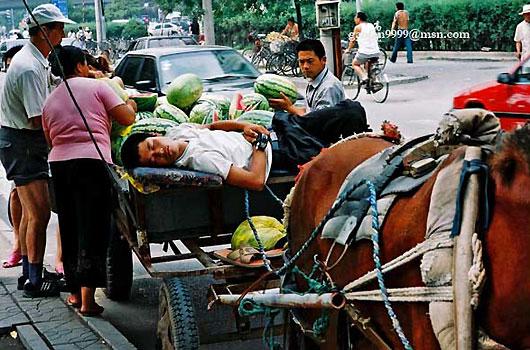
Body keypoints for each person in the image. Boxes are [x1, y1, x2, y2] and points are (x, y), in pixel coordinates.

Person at [42, 45, 136, 316]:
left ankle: (73, 294)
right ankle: (88, 301)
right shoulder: (97, 87)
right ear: (80, 66)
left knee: (70, 226)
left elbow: (50, 140)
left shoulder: (50, 100)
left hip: (59, 166)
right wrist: (129, 102)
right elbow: (127, 117)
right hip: (92, 164)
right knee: (93, 229)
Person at [0, 4, 75, 297]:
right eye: (59, 28)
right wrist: (60, 142)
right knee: (40, 214)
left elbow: (52, 86)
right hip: (23, 143)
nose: (63, 33)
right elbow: (37, 119)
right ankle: (33, 280)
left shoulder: (39, 60)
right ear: (44, 31)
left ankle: (31, 273)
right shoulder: (28, 66)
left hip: (24, 141)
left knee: (34, 214)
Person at [269, 39, 345, 116]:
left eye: (310, 61)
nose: (305, 66)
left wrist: (289, 108)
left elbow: (319, 121)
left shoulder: (329, 88)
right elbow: (309, 112)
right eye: (301, 62)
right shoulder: (314, 80)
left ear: (323, 60)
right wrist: (287, 107)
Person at [345, 12, 381, 86]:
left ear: (359, 19)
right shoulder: (371, 25)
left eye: (355, 18)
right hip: (376, 52)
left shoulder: (358, 27)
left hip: (364, 52)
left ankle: (364, 77)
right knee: (369, 66)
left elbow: (353, 40)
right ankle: (375, 81)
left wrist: (348, 49)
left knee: (355, 64)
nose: (354, 20)